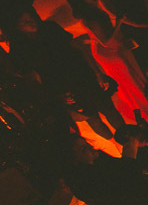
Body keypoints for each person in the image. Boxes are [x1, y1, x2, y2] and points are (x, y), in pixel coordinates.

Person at [3, 8, 126, 140]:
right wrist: (56, 97)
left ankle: (129, 137)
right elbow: (33, 81)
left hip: (82, 75)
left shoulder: (49, 28)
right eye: (25, 22)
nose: (31, 22)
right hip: (64, 88)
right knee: (92, 117)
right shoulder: (18, 51)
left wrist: (97, 73)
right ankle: (115, 143)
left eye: (30, 18)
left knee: (107, 107)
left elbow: (77, 48)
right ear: (15, 27)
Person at [62, 0, 148, 123]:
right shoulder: (89, 19)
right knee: (129, 81)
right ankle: (145, 109)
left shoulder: (92, 11)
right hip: (108, 53)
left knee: (131, 77)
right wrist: (118, 23)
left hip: (111, 47)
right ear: (80, 1)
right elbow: (106, 42)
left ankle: (145, 105)